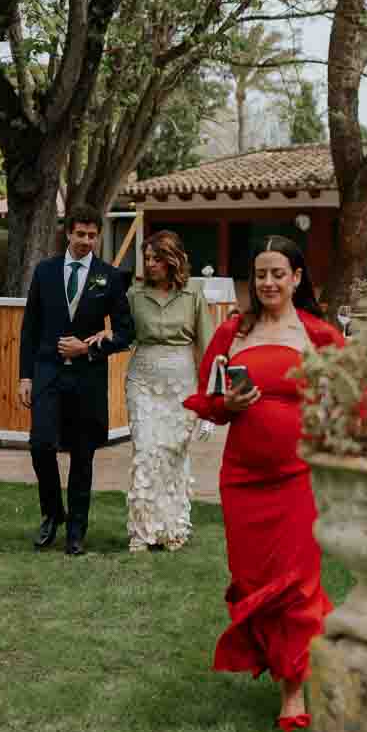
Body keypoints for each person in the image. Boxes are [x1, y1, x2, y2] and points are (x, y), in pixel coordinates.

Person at [185, 237, 344, 732]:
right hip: (243, 479)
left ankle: (293, 693)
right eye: (260, 274)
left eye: (278, 273)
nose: (268, 282)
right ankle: (296, 662)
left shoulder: (319, 335)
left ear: (297, 277)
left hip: (299, 477)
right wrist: (226, 407)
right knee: (256, 583)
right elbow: (206, 399)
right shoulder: (234, 332)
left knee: (296, 585)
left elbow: (356, 397)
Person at [18, 206, 135, 557]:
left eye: (92, 235)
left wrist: (89, 347)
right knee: (40, 445)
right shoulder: (45, 271)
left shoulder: (110, 277)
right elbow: (30, 328)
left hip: (87, 378)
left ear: (97, 236)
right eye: (80, 234)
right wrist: (25, 375)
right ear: (68, 233)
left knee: (83, 456)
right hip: (48, 374)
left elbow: (126, 333)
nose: (86, 240)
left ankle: (76, 533)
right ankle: (53, 513)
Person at [124, 231, 214, 554]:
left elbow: (208, 347)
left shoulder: (194, 293)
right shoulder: (134, 294)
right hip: (142, 381)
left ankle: (173, 529)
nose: (149, 264)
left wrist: (208, 404)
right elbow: (122, 333)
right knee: (146, 452)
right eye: (146, 258)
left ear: (171, 259)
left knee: (173, 456)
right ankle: (142, 531)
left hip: (181, 384)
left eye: (156, 258)